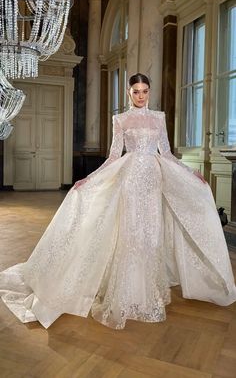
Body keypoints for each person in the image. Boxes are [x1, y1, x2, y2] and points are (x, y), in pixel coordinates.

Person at [0, 73, 236, 330]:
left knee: (151, 235)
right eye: (136, 91)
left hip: (153, 180)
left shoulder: (159, 118)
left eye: (145, 90)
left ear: (150, 91)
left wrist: (191, 173)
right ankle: (128, 292)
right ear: (128, 92)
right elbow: (113, 156)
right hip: (131, 180)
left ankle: (148, 290)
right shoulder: (120, 119)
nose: (141, 95)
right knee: (132, 233)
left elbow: (166, 153)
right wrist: (88, 178)